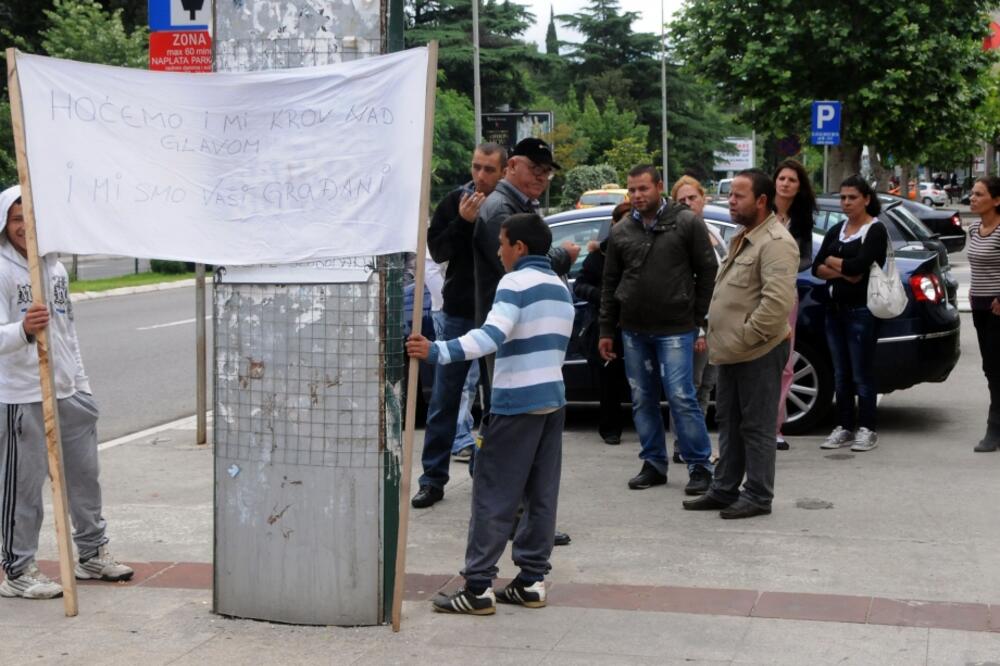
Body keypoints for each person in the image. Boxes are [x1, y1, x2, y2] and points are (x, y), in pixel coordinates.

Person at [406, 213, 574, 616]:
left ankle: (478, 586)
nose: (498, 251)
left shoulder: (514, 283)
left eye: (502, 243)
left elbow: (491, 336)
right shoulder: (559, 286)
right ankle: (531, 580)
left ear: (519, 247)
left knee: (493, 493)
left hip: (515, 403)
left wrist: (438, 351)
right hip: (553, 400)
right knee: (540, 494)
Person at [0, 185, 134, 599]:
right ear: (5, 222)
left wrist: (82, 386)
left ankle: (92, 553)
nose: (24, 227)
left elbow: (67, 331)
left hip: (67, 390)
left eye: (31, 218)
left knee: (84, 479)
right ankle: (18, 569)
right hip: (21, 395)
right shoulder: (1, 269)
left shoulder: (54, 269)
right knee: (23, 487)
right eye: (16, 218)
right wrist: (21, 330)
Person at [472, 137, 576, 546]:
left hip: (525, 336)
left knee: (531, 441)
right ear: (512, 165)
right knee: (511, 433)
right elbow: (521, 262)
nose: (542, 178)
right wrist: (563, 255)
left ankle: (527, 523)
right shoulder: (500, 208)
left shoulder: (519, 206)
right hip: (509, 334)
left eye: (547, 172)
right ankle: (513, 521)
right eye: (535, 169)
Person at [682, 169, 798, 519]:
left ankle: (759, 495)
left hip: (757, 350)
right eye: (730, 195)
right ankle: (724, 488)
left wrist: (745, 336)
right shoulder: (743, 235)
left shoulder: (776, 242)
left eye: (738, 196)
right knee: (730, 422)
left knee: (757, 427)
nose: (730, 201)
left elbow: (776, 305)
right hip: (732, 351)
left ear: (761, 201)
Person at [599, 165, 717, 495]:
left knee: (682, 397)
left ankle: (699, 466)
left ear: (659, 187)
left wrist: (698, 319)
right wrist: (606, 329)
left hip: (678, 328)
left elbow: (708, 271)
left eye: (643, 189)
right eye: (632, 190)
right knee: (642, 398)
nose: (637, 196)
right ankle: (653, 463)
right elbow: (610, 284)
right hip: (633, 330)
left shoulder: (686, 222)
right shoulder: (622, 231)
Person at [411, 144, 505, 509]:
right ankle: (432, 479)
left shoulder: (504, 206)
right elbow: (438, 250)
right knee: (444, 400)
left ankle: (487, 476)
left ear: (502, 172)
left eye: (489, 170)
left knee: (496, 401)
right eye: (476, 167)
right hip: (459, 313)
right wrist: (462, 222)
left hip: (496, 316)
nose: (481, 176)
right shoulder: (455, 201)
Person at [812, 175, 888, 452]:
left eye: (852, 197)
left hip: (861, 312)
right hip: (834, 311)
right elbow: (816, 266)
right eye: (843, 198)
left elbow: (860, 269)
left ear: (866, 199)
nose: (846, 203)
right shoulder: (837, 229)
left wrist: (838, 266)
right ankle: (843, 426)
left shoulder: (875, 230)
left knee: (861, 372)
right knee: (840, 372)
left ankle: (867, 427)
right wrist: (844, 268)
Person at [670, 176, 726, 453]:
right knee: (687, 388)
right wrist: (699, 328)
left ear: (704, 199)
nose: (688, 203)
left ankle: (695, 441)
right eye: (682, 200)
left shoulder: (713, 231)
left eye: (693, 198)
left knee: (706, 386)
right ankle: (685, 445)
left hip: (718, 322)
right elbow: (686, 286)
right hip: (693, 325)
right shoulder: (675, 236)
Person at [573, 202, 631, 445]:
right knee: (609, 378)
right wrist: (602, 296)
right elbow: (580, 286)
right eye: (623, 222)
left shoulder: (643, 250)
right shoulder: (600, 256)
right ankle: (610, 428)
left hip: (638, 323)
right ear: (613, 225)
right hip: (606, 324)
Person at [771, 159, 816, 450]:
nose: (786, 183)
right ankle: (755, 424)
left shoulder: (801, 219)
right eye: (782, 178)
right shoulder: (761, 210)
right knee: (756, 361)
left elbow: (807, 258)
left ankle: (775, 427)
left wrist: (786, 265)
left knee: (785, 364)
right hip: (757, 293)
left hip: (787, 294)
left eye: (792, 180)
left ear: (799, 187)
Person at [967, 176, 1000, 452]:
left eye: (979, 194)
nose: (973, 198)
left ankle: (994, 428)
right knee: (991, 369)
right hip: (979, 306)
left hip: (997, 306)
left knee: (997, 370)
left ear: (996, 200)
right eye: (972, 193)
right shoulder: (974, 229)